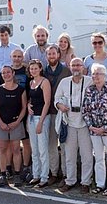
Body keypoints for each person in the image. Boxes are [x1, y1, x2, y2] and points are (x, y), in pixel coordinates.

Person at [55, 58, 93, 194]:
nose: (76, 67)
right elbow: (57, 98)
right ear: (70, 67)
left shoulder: (90, 81)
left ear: (83, 67)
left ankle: (86, 182)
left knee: (87, 155)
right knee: (69, 155)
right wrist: (60, 105)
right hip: (69, 122)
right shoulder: (64, 82)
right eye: (74, 65)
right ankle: (70, 181)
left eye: (79, 65)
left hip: (85, 124)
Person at [82, 63, 107, 196]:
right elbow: (85, 110)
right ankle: (100, 184)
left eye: (98, 74)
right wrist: (91, 126)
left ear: (105, 76)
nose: (95, 76)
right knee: (98, 158)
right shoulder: (89, 90)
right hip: (93, 130)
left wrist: (105, 128)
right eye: (93, 74)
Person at [0, 49, 32, 182]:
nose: (17, 58)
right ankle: (8, 169)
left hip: (24, 110)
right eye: (14, 56)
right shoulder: (5, 71)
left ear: (22, 57)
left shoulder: (26, 71)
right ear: (11, 57)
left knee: (25, 141)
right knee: (9, 143)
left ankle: (25, 167)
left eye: (19, 56)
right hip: (9, 112)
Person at [0, 66, 27, 187]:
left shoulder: (21, 90)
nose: (6, 74)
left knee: (16, 149)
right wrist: (0, 123)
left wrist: (17, 122)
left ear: (13, 74)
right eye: (3, 73)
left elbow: (24, 108)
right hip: (1, 124)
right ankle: (3, 174)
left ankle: (17, 174)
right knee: (2, 149)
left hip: (16, 124)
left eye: (8, 72)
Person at [43, 45, 71, 186]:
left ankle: (66, 175)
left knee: (65, 144)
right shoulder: (43, 72)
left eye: (54, 54)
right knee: (51, 145)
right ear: (46, 56)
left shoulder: (66, 71)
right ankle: (53, 173)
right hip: (48, 113)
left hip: (64, 113)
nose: (52, 56)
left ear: (58, 55)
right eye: (49, 54)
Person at [26, 59, 51, 188]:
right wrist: (28, 105)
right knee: (34, 149)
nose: (33, 70)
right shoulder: (31, 82)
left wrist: (41, 122)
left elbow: (47, 103)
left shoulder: (44, 82)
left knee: (42, 149)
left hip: (42, 118)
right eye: (31, 68)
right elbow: (31, 99)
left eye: (35, 68)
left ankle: (44, 177)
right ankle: (36, 174)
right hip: (31, 118)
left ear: (40, 69)